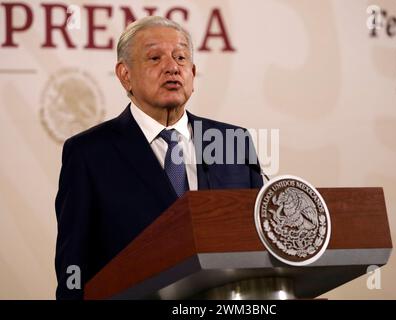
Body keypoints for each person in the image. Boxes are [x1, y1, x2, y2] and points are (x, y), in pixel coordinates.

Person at [54, 16, 263, 300]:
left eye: (180, 57)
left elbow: (257, 245)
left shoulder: (232, 142)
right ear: (125, 74)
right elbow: (73, 264)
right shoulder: (88, 153)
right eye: (154, 58)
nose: (172, 67)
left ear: (192, 71)